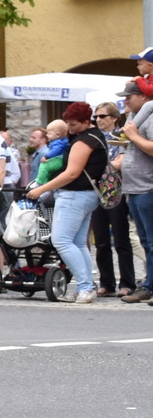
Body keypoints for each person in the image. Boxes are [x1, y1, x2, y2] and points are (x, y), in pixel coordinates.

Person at [26, 102, 108, 304]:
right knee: (78, 243)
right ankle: (86, 287)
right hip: (86, 195)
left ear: (86, 122)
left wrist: (41, 189)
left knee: (61, 241)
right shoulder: (95, 135)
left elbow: (72, 173)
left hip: (74, 195)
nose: (68, 129)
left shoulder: (84, 141)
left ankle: (86, 287)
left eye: (72, 125)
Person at [87, 100, 134, 297]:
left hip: (116, 190)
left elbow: (119, 162)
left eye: (103, 116)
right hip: (97, 190)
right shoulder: (94, 137)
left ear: (114, 117)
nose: (98, 120)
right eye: (96, 117)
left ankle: (127, 282)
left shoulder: (120, 136)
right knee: (101, 241)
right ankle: (106, 282)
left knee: (121, 239)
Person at [116, 81, 153, 303]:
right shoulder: (134, 117)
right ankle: (149, 284)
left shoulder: (149, 117)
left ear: (144, 97)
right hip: (133, 186)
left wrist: (134, 136)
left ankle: (149, 286)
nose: (126, 101)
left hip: (148, 186)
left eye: (130, 96)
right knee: (146, 241)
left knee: (151, 241)